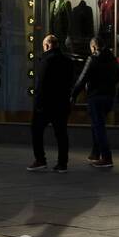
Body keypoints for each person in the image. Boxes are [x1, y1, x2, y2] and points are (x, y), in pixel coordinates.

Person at [71, 30, 119, 169]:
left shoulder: (93, 59)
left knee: (98, 127)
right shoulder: (112, 59)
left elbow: (82, 79)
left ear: (93, 47)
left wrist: (73, 94)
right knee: (97, 125)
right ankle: (95, 153)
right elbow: (117, 77)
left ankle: (106, 157)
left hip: (96, 96)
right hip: (109, 97)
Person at [29, 34, 75, 173]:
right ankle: (62, 164)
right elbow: (71, 82)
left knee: (36, 130)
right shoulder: (67, 61)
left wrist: (37, 103)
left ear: (47, 45)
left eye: (44, 46)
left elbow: (41, 84)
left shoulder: (46, 60)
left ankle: (40, 159)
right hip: (62, 104)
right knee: (61, 134)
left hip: (46, 105)